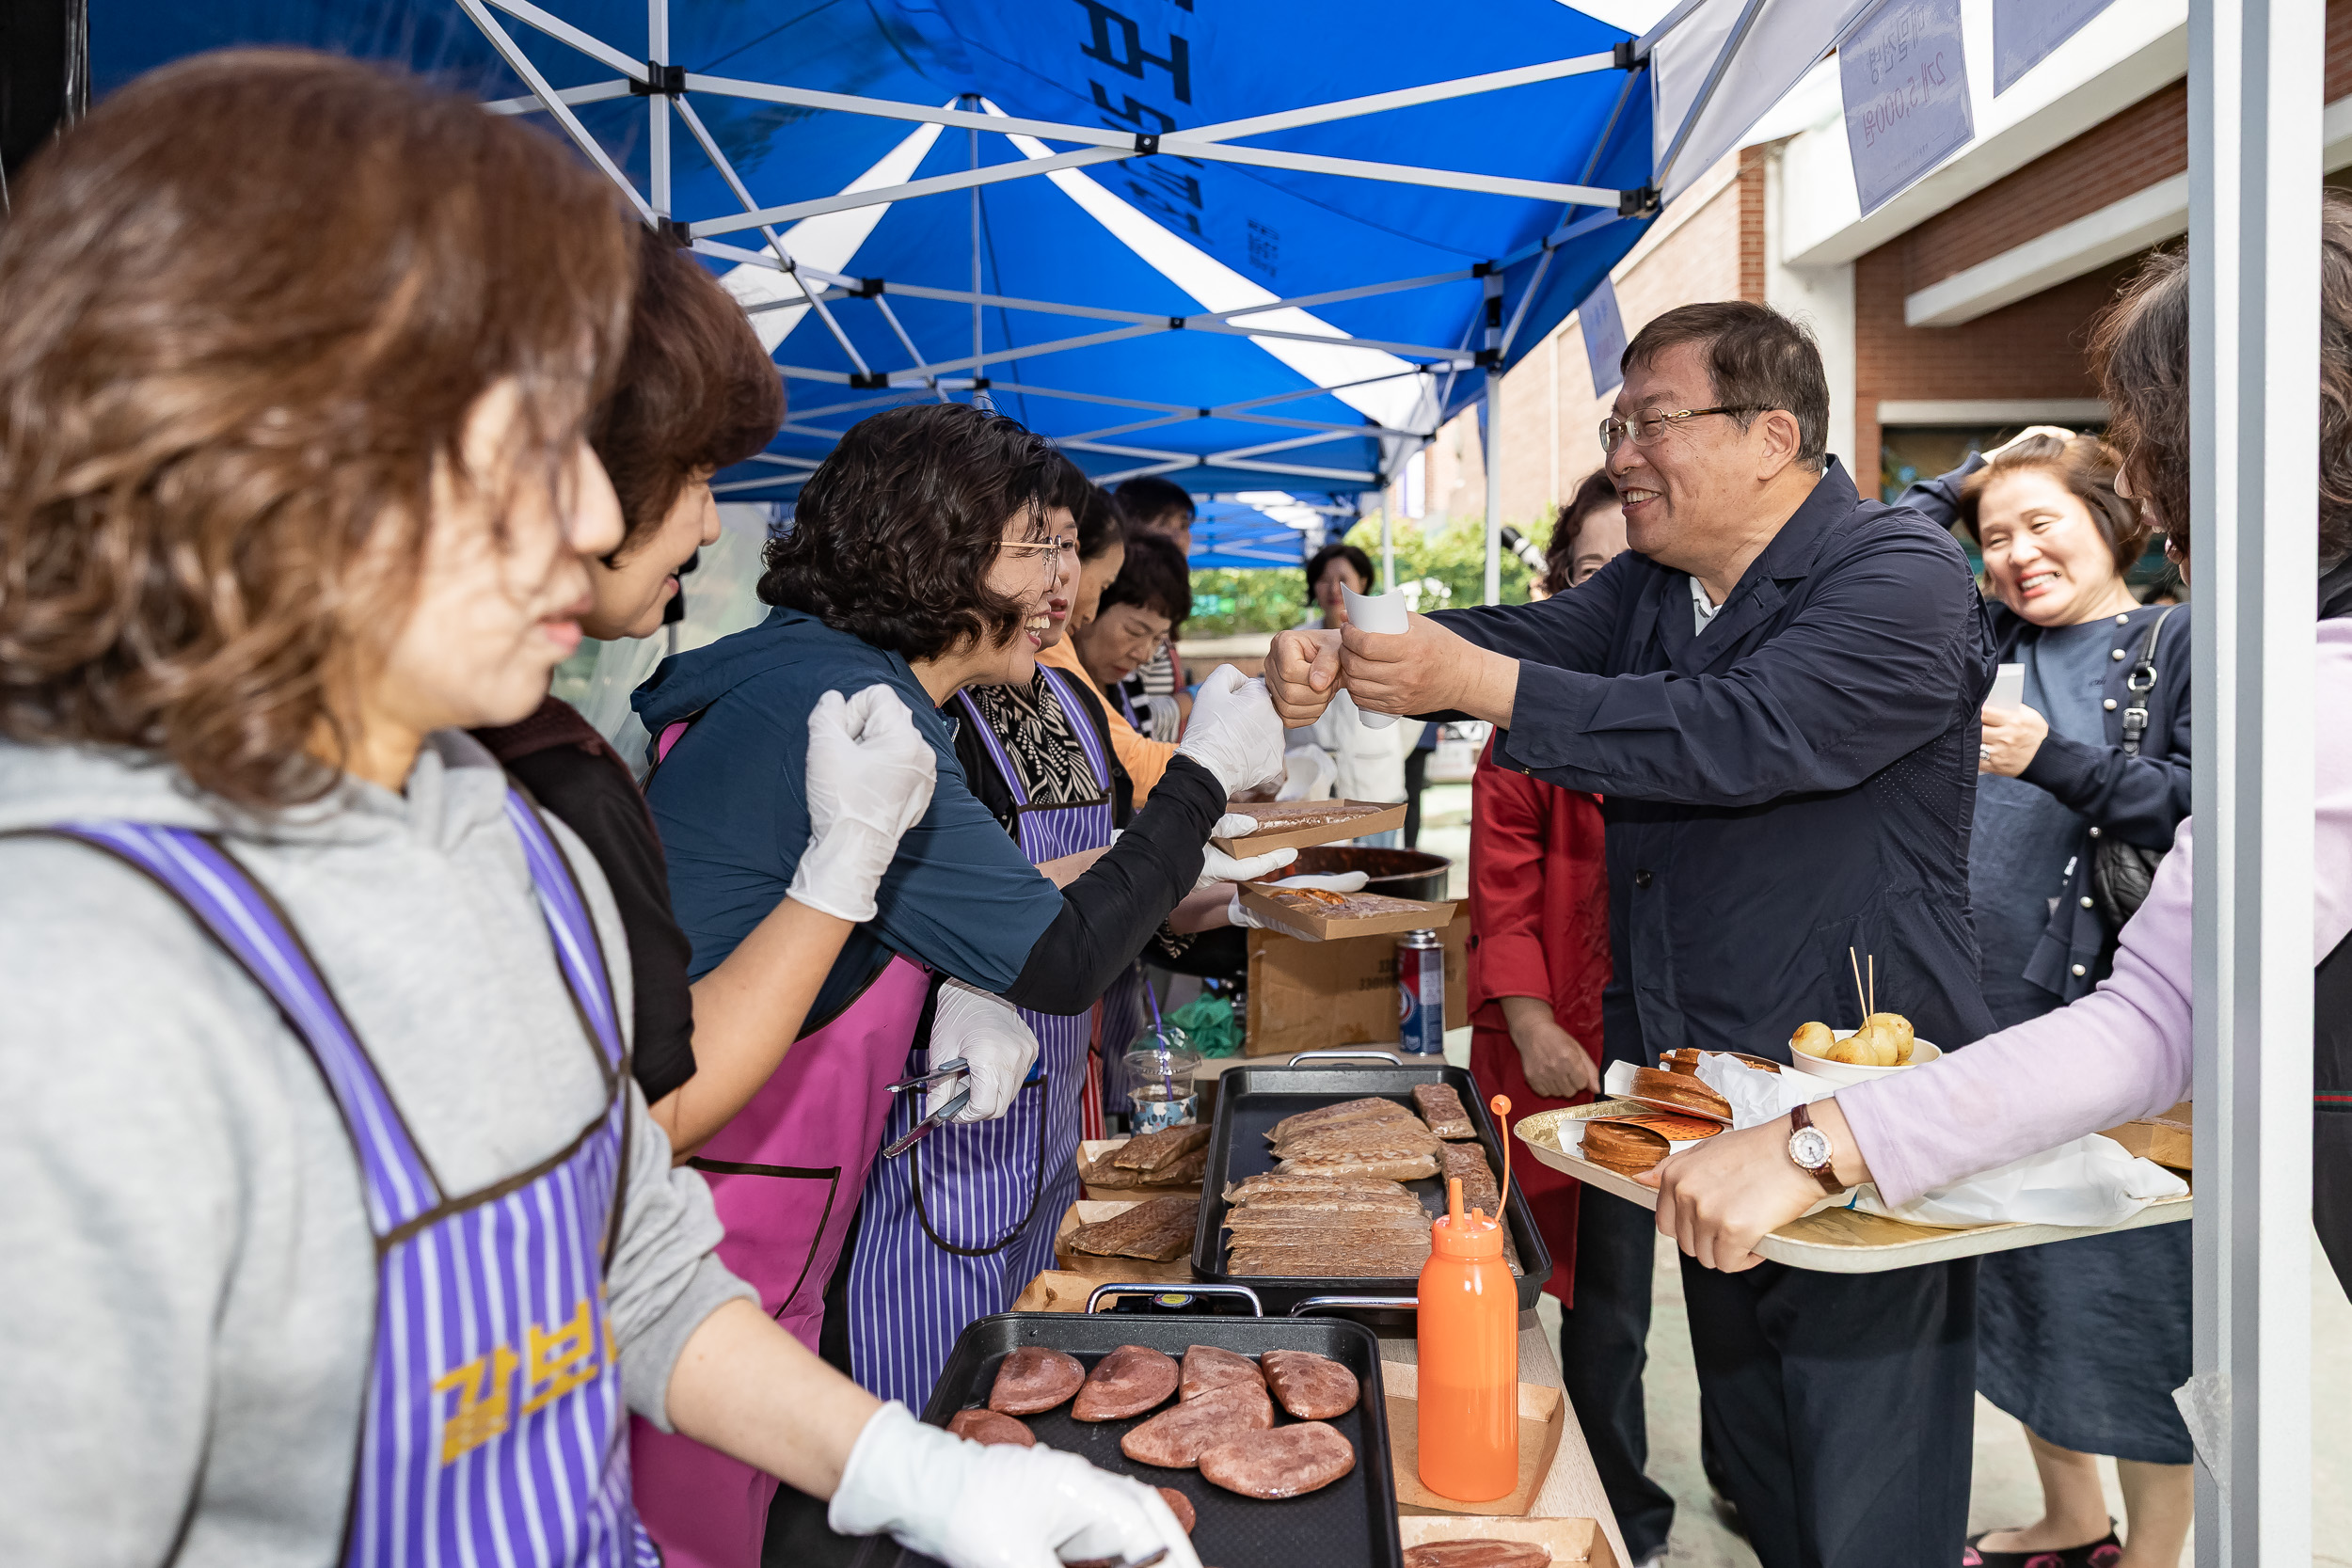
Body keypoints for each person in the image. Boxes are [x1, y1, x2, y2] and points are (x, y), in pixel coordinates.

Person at [0, 50, 1197, 1568]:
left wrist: (914, 1471)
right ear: (269, 436)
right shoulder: (65, 985)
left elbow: (626, 1263)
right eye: (535, 446)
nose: (596, 519)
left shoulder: (495, 824)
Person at [1651, 202, 2352, 1562]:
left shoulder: (2301, 679)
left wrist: (1816, 1144)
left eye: (2156, 458)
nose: (2153, 503)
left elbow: (2165, 1012)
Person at [1265, 300, 1998, 1568]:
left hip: (1862, 1106)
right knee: (1760, 1441)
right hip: (1702, 1091)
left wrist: (1468, 682)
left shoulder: (1900, 571)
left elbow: (1747, 729)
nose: (1621, 453)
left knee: (1867, 1476)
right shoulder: (1663, 588)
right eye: (1617, 423)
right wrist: (1347, 650)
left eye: (1653, 420)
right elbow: (1510, 642)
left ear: (1774, 436)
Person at [632, 402, 1289, 1561]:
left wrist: (950, 978)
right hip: (711, 1208)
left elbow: (957, 915)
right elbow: (1064, 954)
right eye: (1035, 545)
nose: (1063, 583)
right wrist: (1197, 779)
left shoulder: (841, 676)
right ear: (936, 546)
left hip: (768, 1202)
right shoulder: (849, 698)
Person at [1897, 430, 2194, 1568]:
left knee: (2127, 1296)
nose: (2015, 554)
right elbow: (1887, 548)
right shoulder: (1990, 635)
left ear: (2111, 519)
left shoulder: (2175, 637)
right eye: (1996, 537)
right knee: (2015, 1279)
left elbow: (2202, 804)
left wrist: (2052, 758)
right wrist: (1972, 469)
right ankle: (2071, 1518)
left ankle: (2156, 1551)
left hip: (2116, 1029)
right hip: (1980, 1020)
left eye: (2042, 523)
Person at [1464, 469, 1663, 1552]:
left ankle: (1621, 1503)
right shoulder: (1523, 727)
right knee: (1534, 1279)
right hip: (1538, 1037)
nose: (1611, 590)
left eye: (1630, 572)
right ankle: (1536, 1487)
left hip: (1646, 1047)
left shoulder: (1689, 711)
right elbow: (1503, 875)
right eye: (1591, 571)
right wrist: (1535, 1018)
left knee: (1620, 1303)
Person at [1037, 460, 1181, 801]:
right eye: (1101, 587)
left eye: (1158, 640)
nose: (1144, 654)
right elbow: (1129, 764)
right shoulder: (1040, 647)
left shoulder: (1124, 687)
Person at [1295, 541, 1423, 846]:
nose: (1332, 589)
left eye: (1343, 579)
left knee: (1374, 881)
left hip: (1375, 787)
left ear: (1362, 582)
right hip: (1314, 792)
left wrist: (1380, 749)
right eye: (1323, 580)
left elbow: (1413, 712)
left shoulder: (1385, 638)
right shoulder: (1298, 641)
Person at [1072, 529, 1193, 737]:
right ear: (1092, 603)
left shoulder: (1129, 686)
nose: (1144, 655)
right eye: (1135, 632)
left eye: (1158, 639)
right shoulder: (1046, 690)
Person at [1111, 473, 1196, 736]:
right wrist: (1193, 699)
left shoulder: (1161, 600)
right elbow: (1122, 717)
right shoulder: (1126, 600)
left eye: (1184, 526)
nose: (1182, 539)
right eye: (1169, 524)